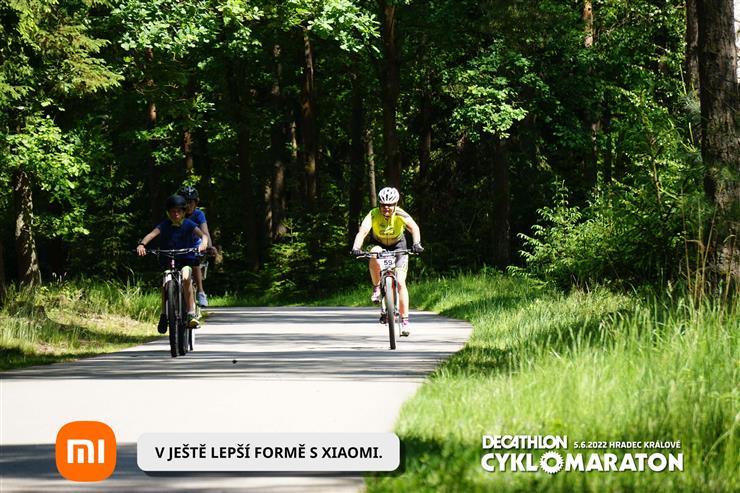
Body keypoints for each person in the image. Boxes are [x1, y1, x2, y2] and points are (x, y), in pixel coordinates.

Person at [351, 186, 424, 336]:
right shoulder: (373, 214)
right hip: (379, 244)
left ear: (395, 204)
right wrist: (356, 247)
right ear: (379, 204)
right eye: (383, 205)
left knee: (401, 282)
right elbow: (363, 232)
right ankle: (376, 287)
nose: (386, 208)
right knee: (373, 253)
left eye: (390, 205)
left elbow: (414, 228)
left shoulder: (400, 213)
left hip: (399, 245)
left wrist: (417, 244)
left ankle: (405, 321)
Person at [137, 194, 209, 333]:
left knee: (186, 277)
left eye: (179, 211)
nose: (176, 214)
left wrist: (204, 243)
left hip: (186, 259)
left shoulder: (189, 224)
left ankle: (190, 313)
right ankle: (164, 314)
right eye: (172, 211)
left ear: (184, 212)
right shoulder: (164, 225)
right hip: (169, 260)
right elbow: (151, 234)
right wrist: (142, 244)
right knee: (165, 281)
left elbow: (203, 235)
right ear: (168, 213)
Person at [177, 186, 213, 307]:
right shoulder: (176, 214)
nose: (188, 205)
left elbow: (205, 232)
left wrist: (209, 246)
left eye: (191, 202)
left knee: (194, 262)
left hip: (195, 245)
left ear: (196, 203)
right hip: (179, 244)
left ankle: (201, 292)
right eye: (185, 202)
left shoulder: (199, 214)